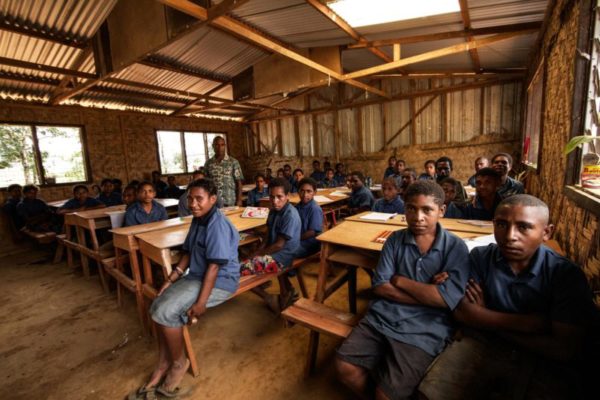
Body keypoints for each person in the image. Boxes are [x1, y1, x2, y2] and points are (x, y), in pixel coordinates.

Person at [419, 195, 600, 400]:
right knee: (432, 392)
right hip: (484, 345)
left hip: (544, 360)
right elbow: (463, 312)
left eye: (524, 227)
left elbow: (564, 349)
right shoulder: (480, 257)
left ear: (546, 232)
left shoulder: (565, 274)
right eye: (502, 224)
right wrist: (533, 324)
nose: (510, 236)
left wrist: (485, 319)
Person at [335, 180, 470, 399]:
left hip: (426, 329)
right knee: (345, 368)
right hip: (383, 317)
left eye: (427, 210)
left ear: (442, 211)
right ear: (404, 209)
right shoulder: (394, 241)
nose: (418, 217)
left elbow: (446, 300)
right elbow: (380, 287)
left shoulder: (456, 247)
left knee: (386, 394)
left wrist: (400, 281)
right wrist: (429, 293)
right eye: (411, 209)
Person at [137, 179, 240, 399]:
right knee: (158, 303)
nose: (193, 203)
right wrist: (171, 279)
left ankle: (178, 363)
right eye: (190, 198)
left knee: (165, 312)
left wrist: (201, 303)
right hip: (197, 276)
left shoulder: (217, 224)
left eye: (199, 199)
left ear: (213, 200)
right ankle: (165, 360)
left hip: (220, 280)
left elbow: (214, 267)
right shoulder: (199, 219)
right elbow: (188, 253)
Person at [239, 178, 301, 311]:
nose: (275, 201)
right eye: (272, 197)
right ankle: (286, 291)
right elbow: (267, 236)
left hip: (283, 257)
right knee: (245, 258)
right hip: (275, 253)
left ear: (287, 196)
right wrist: (257, 251)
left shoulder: (290, 214)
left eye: (279, 197)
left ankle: (268, 297)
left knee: (237, 270)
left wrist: (256, 254)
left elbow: (278, 245)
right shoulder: (273, 211)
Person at [204, 136, 244, 207]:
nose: (220, 147)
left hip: (230, 201)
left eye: (222, 145)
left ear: (225, 146)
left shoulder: (233, 162)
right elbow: (206, 184)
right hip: (214, 202)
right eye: (217, 145)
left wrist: (239, 200)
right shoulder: (208, 164)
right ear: (213, 146)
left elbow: (239, 183)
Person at [294, 178, 323, 258]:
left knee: (287, 251)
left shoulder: (315, 209)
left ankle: (290, 269)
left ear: (314, 192)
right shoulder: (296, 207)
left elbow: (312, 232)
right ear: (298, 191)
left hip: (309, 244)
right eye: (302, 191)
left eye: (309, 191)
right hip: (298, 240)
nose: (305, 194)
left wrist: (294, 239)